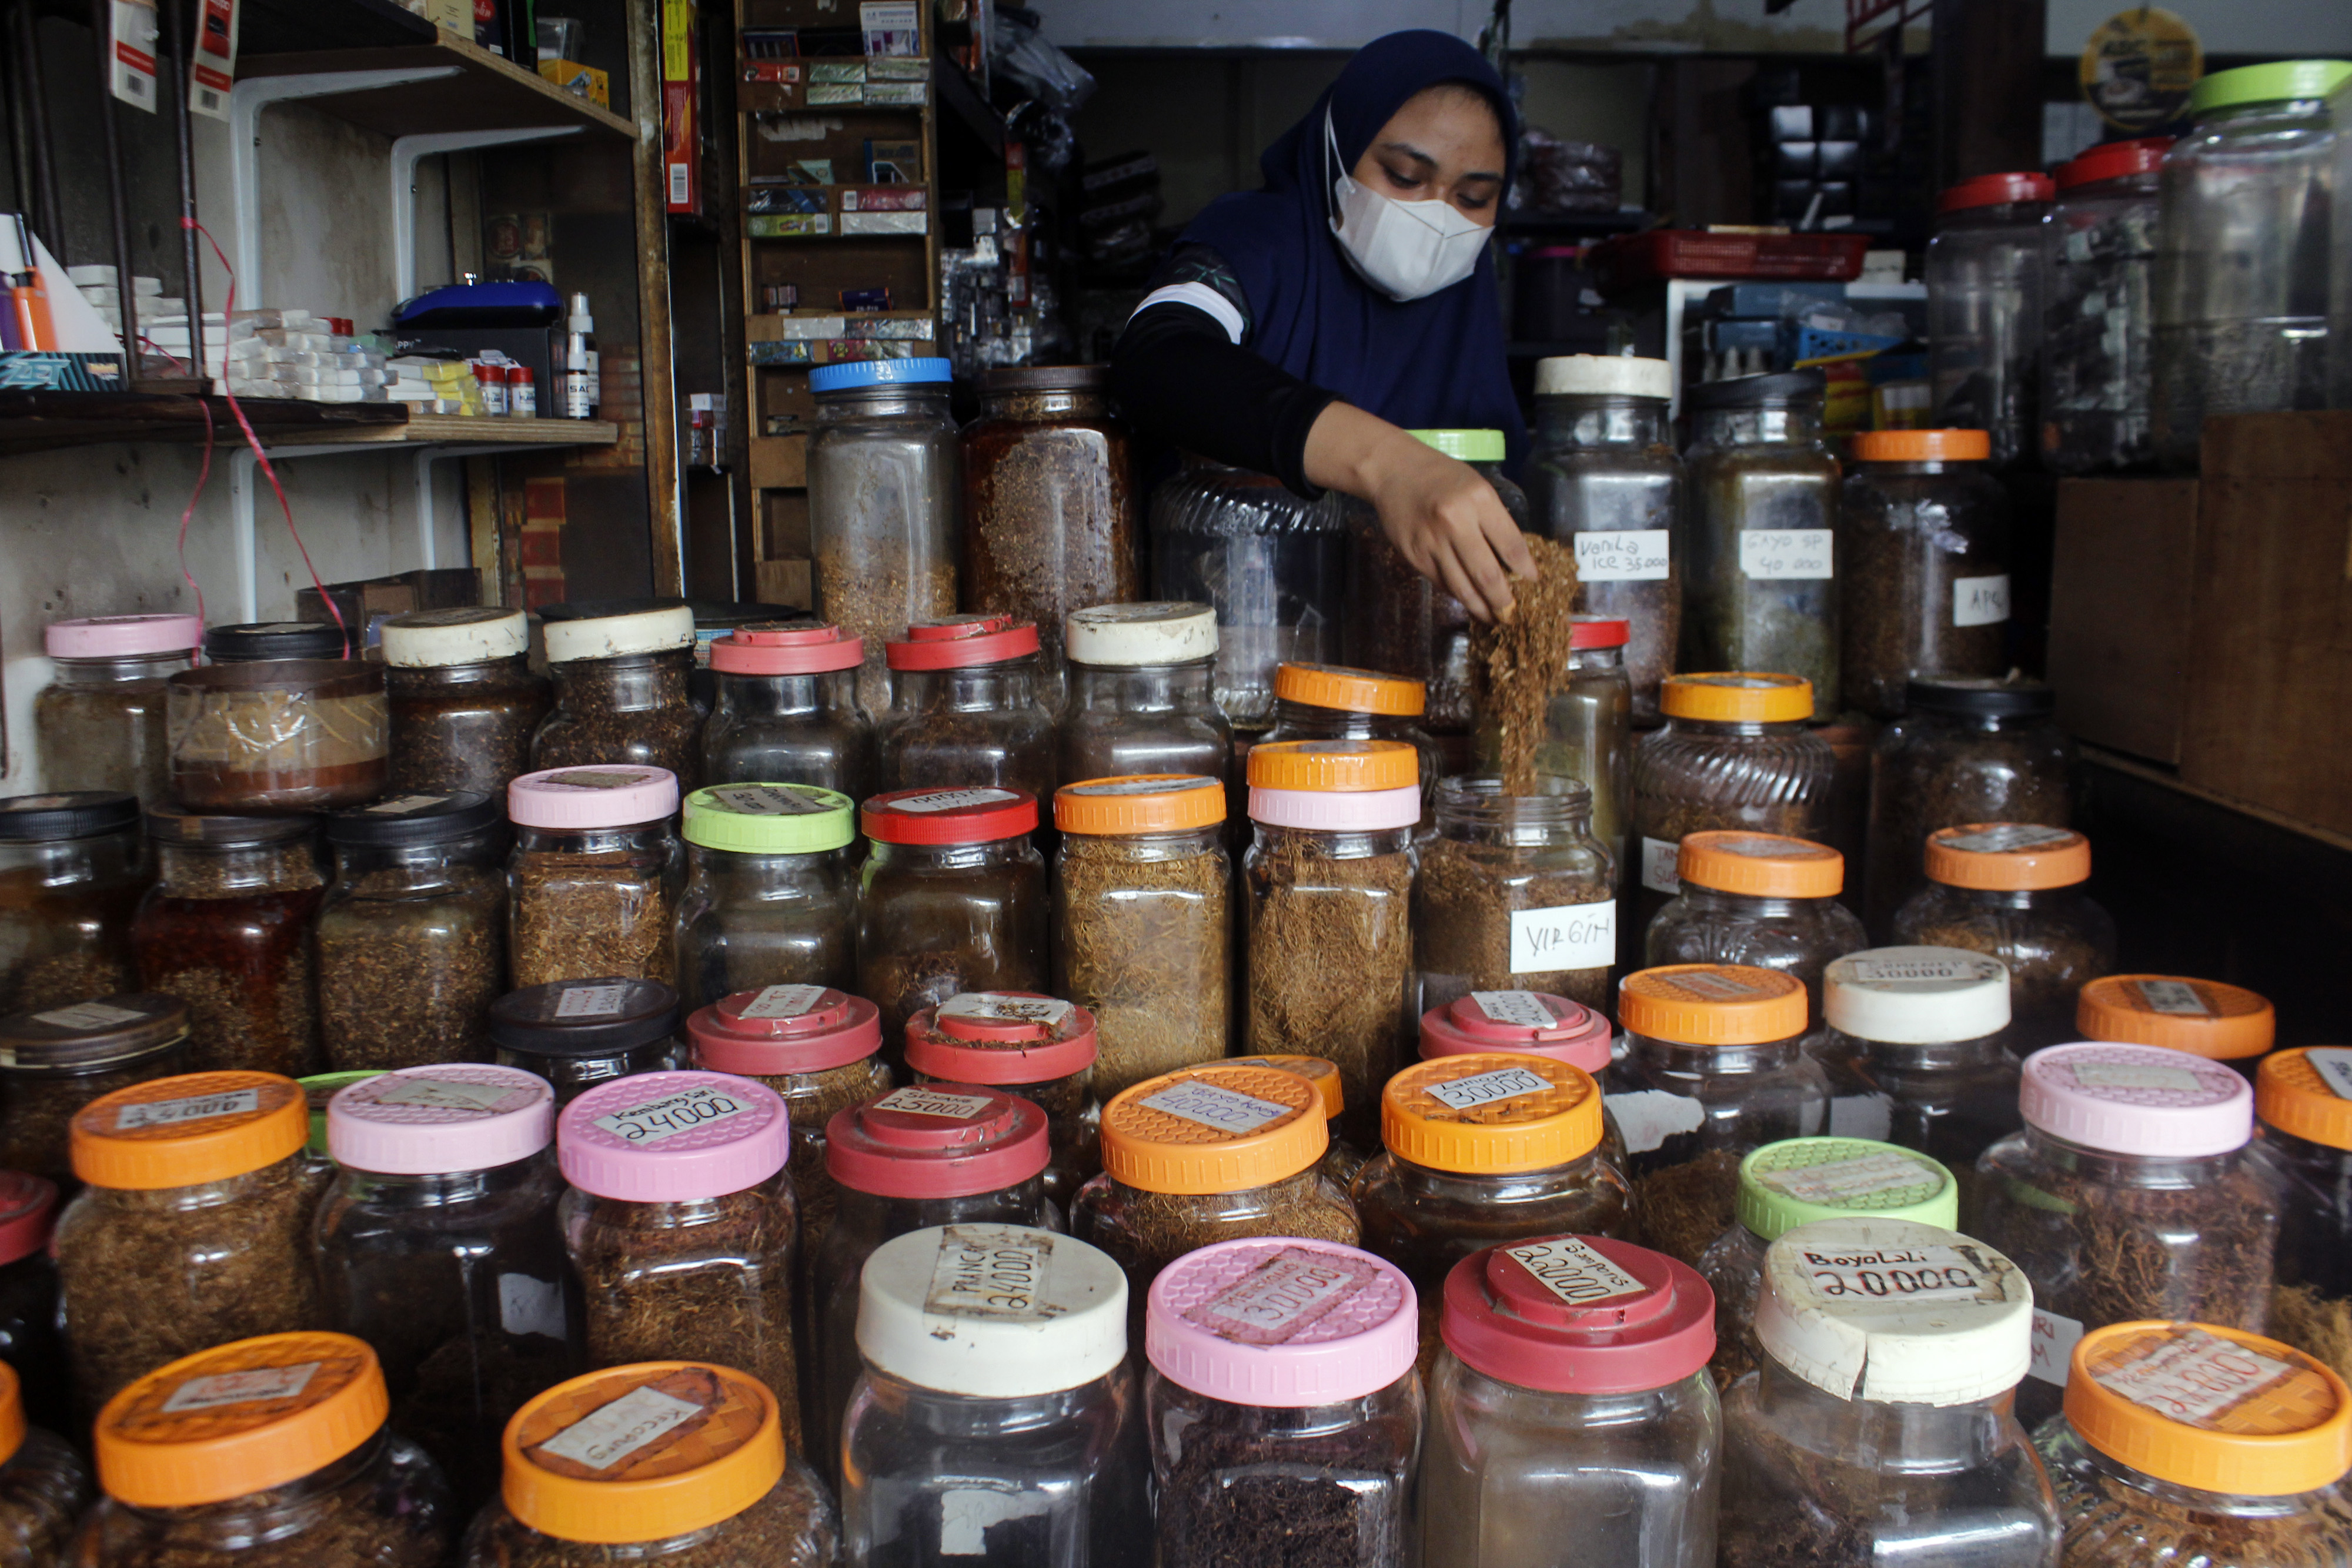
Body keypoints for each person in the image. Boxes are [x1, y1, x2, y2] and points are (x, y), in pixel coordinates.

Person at [1110, 28, 1536, 623]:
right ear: (1338, 146)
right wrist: (1391, 466)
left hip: (1404, 667)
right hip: (1238, 642)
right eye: (1406, 178)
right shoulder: (1258, 244)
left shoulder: (1466, 303)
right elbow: (1157, 357)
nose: (1438, 218)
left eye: (1471, 198)